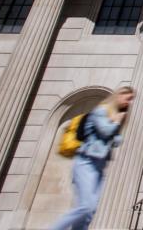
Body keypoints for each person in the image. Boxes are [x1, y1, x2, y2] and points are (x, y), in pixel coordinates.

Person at [49, 85, 135, 230]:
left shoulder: (113, 117)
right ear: (119, 96)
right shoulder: (100, 111)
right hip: (86, 162)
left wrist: (118, 127)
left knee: (89, 211)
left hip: (99, 166)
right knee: (85, 206)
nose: (129, 103)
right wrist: (117, 121)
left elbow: (116, 141)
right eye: (128, 99)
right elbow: (106, 131)